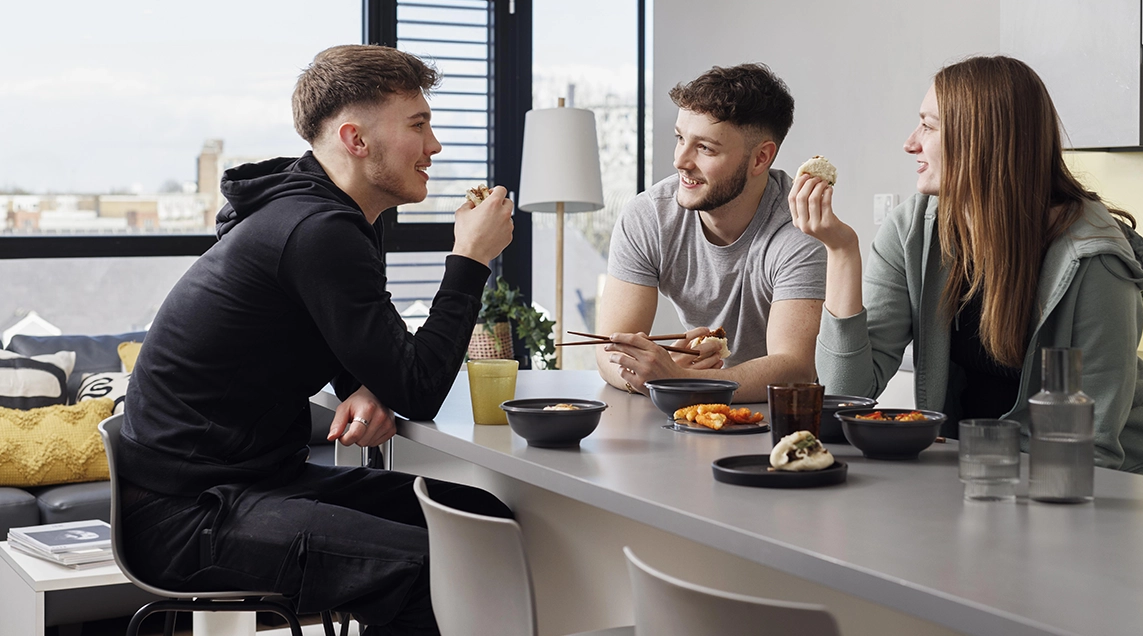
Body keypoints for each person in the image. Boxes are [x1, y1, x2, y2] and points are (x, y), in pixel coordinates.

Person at [117, 45, 517, 633]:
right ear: (355, 140)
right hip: (187, 512)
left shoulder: (328, 211)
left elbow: (320, 319)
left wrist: (357, 377)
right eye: (419, 125)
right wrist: (470, 259)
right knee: (430, 563)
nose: (434, 147)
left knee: (478, 516)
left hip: (253, 481)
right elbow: (420, 388)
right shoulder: (318, 228)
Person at [789, 55, 1143, 477]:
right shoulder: (913, 229)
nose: (910, 142)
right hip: (979, 475)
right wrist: (842, 251)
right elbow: (845, 395)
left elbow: (1094, 448)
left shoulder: (1094, 259)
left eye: (929, 126)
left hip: (1105, 492)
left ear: (980, 139)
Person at [598, 63, 826, 403]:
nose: (680, 161)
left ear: (761, 158)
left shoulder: (798, 231)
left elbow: (794, 369)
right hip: (688, 413)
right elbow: (609, 348)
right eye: (680, 139)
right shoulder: (649, 216)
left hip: (778, 418)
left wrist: (680, 380)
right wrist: (647, 376)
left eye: (705, 148)